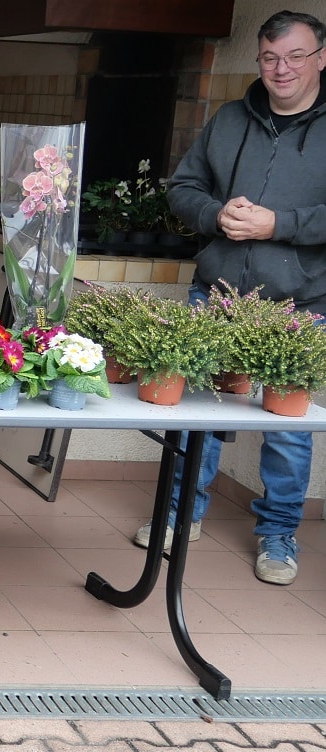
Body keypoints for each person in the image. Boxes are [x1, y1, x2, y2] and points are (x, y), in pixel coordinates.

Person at [134, 9, 325, 585]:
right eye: (270, 57)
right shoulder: (229, 119)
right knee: (196, 413)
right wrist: (216, 214)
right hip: (215, 294)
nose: (281, 68)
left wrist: (278, 225)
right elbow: (183, 188)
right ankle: (180, 515)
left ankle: (278, 536)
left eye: (295, 56)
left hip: (300, 303)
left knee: (287, 432)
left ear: (321, 59)